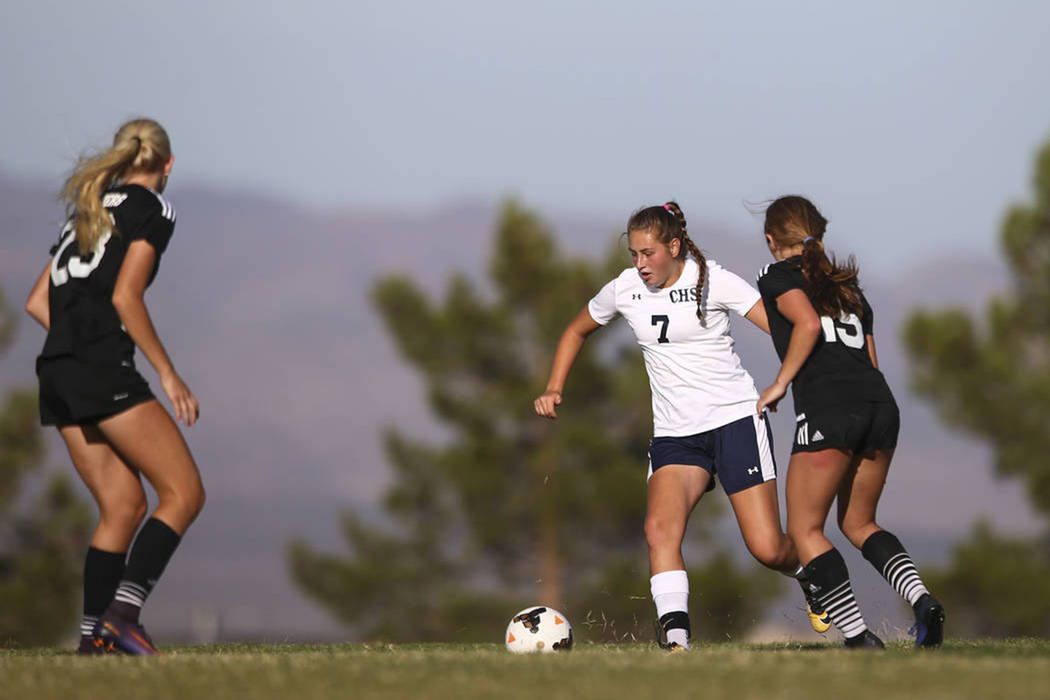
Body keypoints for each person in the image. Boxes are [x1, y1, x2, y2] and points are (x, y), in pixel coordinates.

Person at [534, 201, 829, 650]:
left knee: (768, 548)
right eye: (633, 254)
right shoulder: (624, 289)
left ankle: (810, 576)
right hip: (676, 435)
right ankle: (676, 642)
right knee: (659, 530)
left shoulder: (712, 279)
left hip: (735, 422)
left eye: (648, 253)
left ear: (674, 247)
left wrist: (802, 380)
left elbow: (785, 331)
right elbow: (576, 330)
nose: (640, 263)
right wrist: (555, 386)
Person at [24, 118, 205, 655]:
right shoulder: (155, 210)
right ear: (166, 165)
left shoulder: (90, 210)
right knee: (184, 494)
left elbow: (38, 303)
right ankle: (122, 617)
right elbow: (127, 296)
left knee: (123, 506)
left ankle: (91, 646)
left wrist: (77, 350)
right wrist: (169, 375)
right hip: (100, 368)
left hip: (56, 368)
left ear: (121, 160)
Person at [755, 194, 945, 649]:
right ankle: (922, 602)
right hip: (879, 405)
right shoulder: (848, 287)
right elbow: (870, 359)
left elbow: (807, 326)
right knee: (859, 524)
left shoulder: (777, 275)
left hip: (830, 409)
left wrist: (780, 383)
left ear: (770, 240)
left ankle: (859, 638)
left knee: (804, 531)